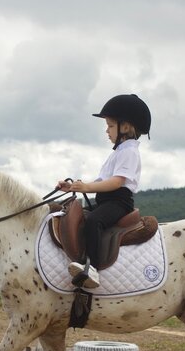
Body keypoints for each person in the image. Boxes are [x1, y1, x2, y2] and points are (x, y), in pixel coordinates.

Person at [56, 93, 151, 290]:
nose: (107, 131)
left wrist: (87, 187)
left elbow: (116, 182)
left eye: (110, 126)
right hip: (107, 200)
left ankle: (93, 268)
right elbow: (101, 181)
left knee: (94, 221)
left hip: (118, 202)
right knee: (82, 217)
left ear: (125, 127)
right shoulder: (119, 152)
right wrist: (74, 186)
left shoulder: (129, 152)